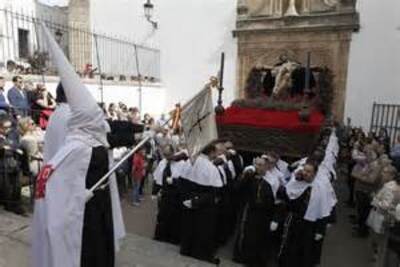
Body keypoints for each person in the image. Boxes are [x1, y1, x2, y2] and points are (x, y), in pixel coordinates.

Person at [32, 25, 124, 267]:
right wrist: (74, 196)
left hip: (83, 194)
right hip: (80, 203)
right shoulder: (74, 134)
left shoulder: (65, 122)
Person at [279, 162, 331, 267]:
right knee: (290, 248)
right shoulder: (297, 182)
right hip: (294, 221)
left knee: (305, 250)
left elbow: (324, 209)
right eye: (304, 170)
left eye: (308, 171)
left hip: (309, 225)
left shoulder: (321, 187)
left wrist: (321, 230)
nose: (305, 173)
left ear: (315, 173)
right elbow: (286, 195)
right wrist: (295, 180)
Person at [179, 143, 222, 265]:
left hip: (188, 199)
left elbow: (181, 182)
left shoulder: (189, 162)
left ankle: (185, 249)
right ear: (211, 152)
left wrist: (187, 199)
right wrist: (196, 201)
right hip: (203, 205)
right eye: (216, 152)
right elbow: (215, 192)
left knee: (188, 226)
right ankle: (199, 253)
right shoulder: (212, 168)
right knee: (202, 229)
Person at [233, 157, 276, 267]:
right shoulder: (249, 177)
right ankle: (240, 257)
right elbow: (237, 188)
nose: (258, 167)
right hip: (248, 212)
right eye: (256, 164)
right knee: (245, 235)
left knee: (257, 237)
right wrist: (246, 176)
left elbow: (272, 201)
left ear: (266, 167)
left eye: (261, 165)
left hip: (262, 215)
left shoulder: (271, 180)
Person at [152, 145, 186, 244]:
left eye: (168, 154)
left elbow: (184, 180)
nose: (167, 157)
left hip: (175, 194)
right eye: (165, 154)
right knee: (162, 215)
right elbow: (157, 177)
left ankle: (172, 238)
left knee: (174, 217)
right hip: (164, 193)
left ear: (173, 152)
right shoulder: (162, 163)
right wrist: (154, 191)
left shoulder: (181, 163)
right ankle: (159, 236)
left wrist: (174, 181)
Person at [0, 113, 25, 215]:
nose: (8, 130)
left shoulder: (8, 137)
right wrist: (6, 148)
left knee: (15, 168)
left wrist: (9, 148)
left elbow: (15, 147)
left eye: (9, 127)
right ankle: (9, 203)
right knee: (6, 166)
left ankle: (15, 201)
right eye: (5, 127)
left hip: (9, 162)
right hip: (2, 163)